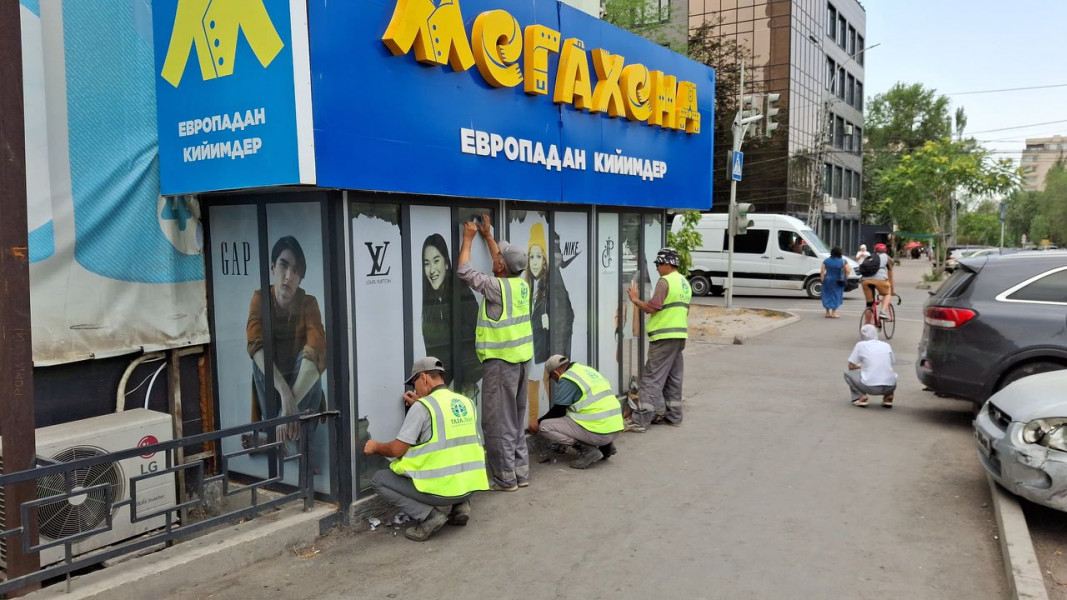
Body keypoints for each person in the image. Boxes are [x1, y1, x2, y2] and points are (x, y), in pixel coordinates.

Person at [365, 357, 489, 541]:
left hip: (440, 493)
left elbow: (397, 450)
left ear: (423, 377)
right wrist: (421, 403)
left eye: (414, 383)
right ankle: (461, 506)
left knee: (379, 480)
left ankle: (430, 517)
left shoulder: (422, 408)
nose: (415, 389)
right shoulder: (466, 402)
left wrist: (375, 446)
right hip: (469, 487)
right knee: (456, 456)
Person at [457, 214, 534, 491]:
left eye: (499, 256)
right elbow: (502, 263)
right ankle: (520, 473)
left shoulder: (496, 287)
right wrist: (488, 236)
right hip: (522, 362)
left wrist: (468, 239)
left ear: (501, 266)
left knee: (498, 422)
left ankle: (504, 478)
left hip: (502, 365)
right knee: (515, 419)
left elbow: (464, 271)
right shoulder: (521, 285)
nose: (496, 256)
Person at [246, 236, 326, 450]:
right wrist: (284, 395)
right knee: (259, 356)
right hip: (273, 393)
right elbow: (254, 343)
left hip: (302, 393)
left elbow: (317, 349)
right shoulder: (260, 298)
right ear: (273, 267)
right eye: (283, 265)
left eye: (296, 270)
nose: (288, 276)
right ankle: (283, 435)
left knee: (311, 359)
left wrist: (287, 410)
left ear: (301, 278)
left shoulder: (309, 303)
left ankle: (284, 435)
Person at [624, 247, 692, 432]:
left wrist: (635, 300)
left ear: (667, 264)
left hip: (663, 337)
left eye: (658, 264)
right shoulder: (684, 282)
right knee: (673, 377)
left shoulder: (665, 281)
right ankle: (674, 416)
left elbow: (653, 308)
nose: (656, 268)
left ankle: (640, 420)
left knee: (652, 377)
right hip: (679, 336)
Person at [528, 355, 623, 469]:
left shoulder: (568, 378)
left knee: (544, 426)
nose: (556, 382)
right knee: (575, 414)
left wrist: (537, 422)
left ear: (556, 373)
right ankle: (606, 446)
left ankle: (588, 450)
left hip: (599, 433)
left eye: (553, 379)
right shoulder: (587, 371)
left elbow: (559, 411)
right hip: (615, 429)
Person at [420, 234, 482, 396]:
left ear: (446, 263)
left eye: (436, 261)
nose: (431, 270)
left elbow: (477, 332)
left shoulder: (460, 293)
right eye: (426, 263)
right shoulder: (430, 300)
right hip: (441, 381)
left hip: (464, 377)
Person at [525, 223, 575, 424]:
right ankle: (533, 423)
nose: (535, 262)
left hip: (545, 346)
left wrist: (550, 323)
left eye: (539, 256)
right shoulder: (527, 284)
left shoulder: (552, 283)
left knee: (544, 380)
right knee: (534, 380)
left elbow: (567, 315)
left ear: (545, 260)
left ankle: (552, 421)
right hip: (531, 346)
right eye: (531, 257)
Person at [845, 325, 898, 408]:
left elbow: (851, 366)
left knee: (848, 373)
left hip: (871, 387)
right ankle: (889, 397)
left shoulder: (860, 345)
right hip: (890, 386)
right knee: (888, 372)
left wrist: (861, 366)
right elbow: (891, 362)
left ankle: (860, 396)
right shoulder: (886, 345)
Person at [861, 242, 895, 319]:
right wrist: (892, 290)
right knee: (887, 294)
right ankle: (883, 312)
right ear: (885, 250)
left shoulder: (870, 257)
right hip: (881, 280)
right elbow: (890, 276)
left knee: (869, 305)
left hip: (865, 281)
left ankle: (867, 324)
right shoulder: (887, 258)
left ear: (874, 250)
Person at [820, 247, 850, 318]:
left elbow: (822, 271)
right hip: (838, 280)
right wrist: (846, 278)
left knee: (826, 294)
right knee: (837, 295)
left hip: (827, 279)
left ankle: (827, 313)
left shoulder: (826, 261)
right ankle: (833, 313)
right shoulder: (843, 261)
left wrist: (822, 280)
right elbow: (848, 270)